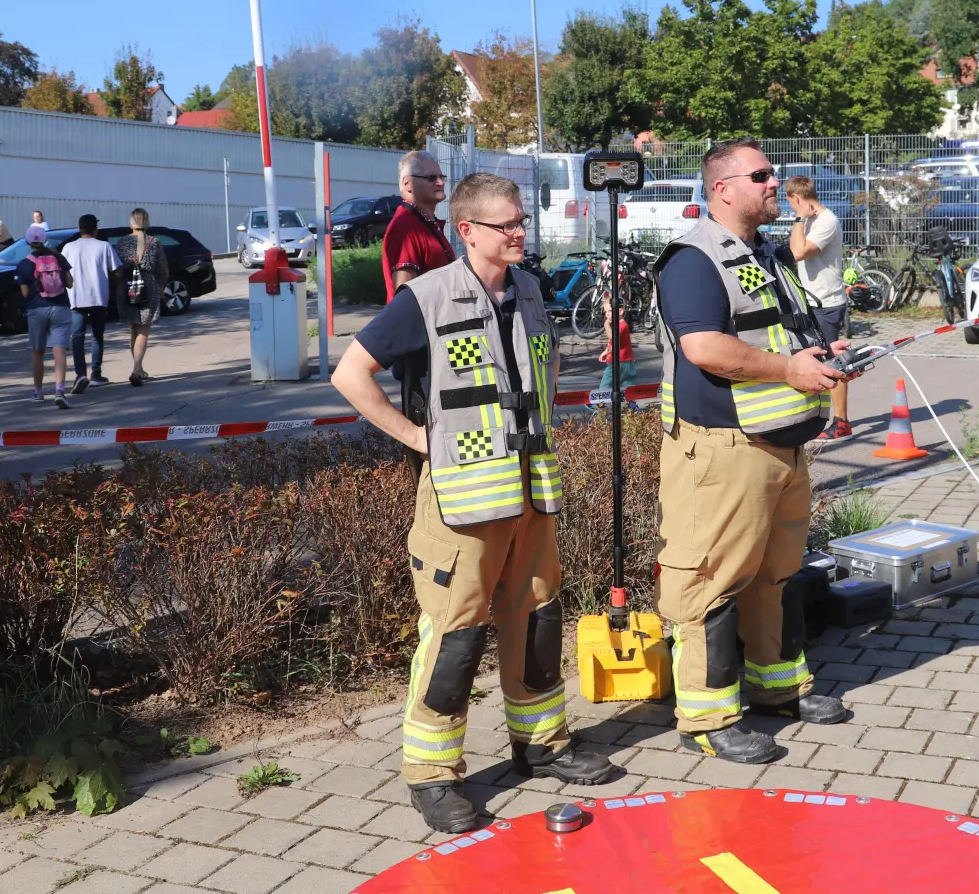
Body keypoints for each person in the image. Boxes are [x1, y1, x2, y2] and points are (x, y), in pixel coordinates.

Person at [331, 172, 621, 834]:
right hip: (461, 502)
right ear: (467, 230)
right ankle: (432, 774)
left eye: (522, 221)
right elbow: (350, 374)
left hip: (532, 492)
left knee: (538, 619)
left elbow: (541, 374)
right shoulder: (426, 298)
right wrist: (418, 439)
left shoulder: (530, 290)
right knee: (456, 635)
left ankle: (541, 743)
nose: (520, 232)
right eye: (506, 224)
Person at [652, 139, 852, 765]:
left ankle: (777, 689)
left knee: (777, 575)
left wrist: (823, 356)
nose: (774, 183)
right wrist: (789, 370)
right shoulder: (692, 260)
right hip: (723, 449)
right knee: (710, 583)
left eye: (772, 173)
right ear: (722, 189)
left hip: (782, 444)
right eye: (761, 175)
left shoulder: (763, 252)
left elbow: (780, 333)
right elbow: (705, 348)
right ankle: (707, 719)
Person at [785, 176, 852, 440]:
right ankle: (814, 416)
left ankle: (842, 422)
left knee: (834, 361)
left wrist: (798, 219)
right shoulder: (811, 221)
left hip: (826, 302)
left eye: (791, 202)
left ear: (797, 198)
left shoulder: (826, 221)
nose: (791, 207)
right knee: (813, 359)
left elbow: (798, 252)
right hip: (811, 301)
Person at [383, 150, 454, 302]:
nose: (440, 183)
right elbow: (404, 299)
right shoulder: (405, 228)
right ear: (408, 183)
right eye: (431, 178)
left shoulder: (424, 221)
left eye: (441, 177)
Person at [18, 225, 76, 409]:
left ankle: (38, 392)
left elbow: (25, 293)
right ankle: (59, 391)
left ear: (28, 242)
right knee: (59, 350)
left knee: (38, 352)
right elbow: (70, 283)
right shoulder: (59, 258)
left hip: (37, 310)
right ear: (45, 240)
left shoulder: (24, 264)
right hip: (60, 308)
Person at [61, 214, 120, 392]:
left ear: (79, 229)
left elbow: (62, 272)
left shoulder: (68, 247)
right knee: (97, 335)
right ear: (95, 229)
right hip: (98, 297)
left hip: (76, 297)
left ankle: (80, 374)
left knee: (77, 336)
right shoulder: (104, 246)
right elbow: (116, 270)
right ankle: (96, 374)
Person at [114, 208, 167, 386]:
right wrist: (161, 287)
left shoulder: (122, 242)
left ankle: (139, 368)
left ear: (132, 222)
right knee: (143, 330)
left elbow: (117, 268)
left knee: (134, 329)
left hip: (127, 288)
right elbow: (163, 269)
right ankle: (137, 369)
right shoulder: (154, 242)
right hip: (148, 288)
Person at [597, 298, 637, 394]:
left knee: (606, 384)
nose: (607, 314)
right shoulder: (620, 324)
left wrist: (606, 324)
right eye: (605, 312)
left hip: (618, 362)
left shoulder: (621, 325)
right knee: (627, 385)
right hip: (628, 362)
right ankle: (630, 401)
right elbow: (615, 343)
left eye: (610, 311)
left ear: (620, 311)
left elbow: (612, 337)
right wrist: (606, 351)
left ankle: (601, 401)